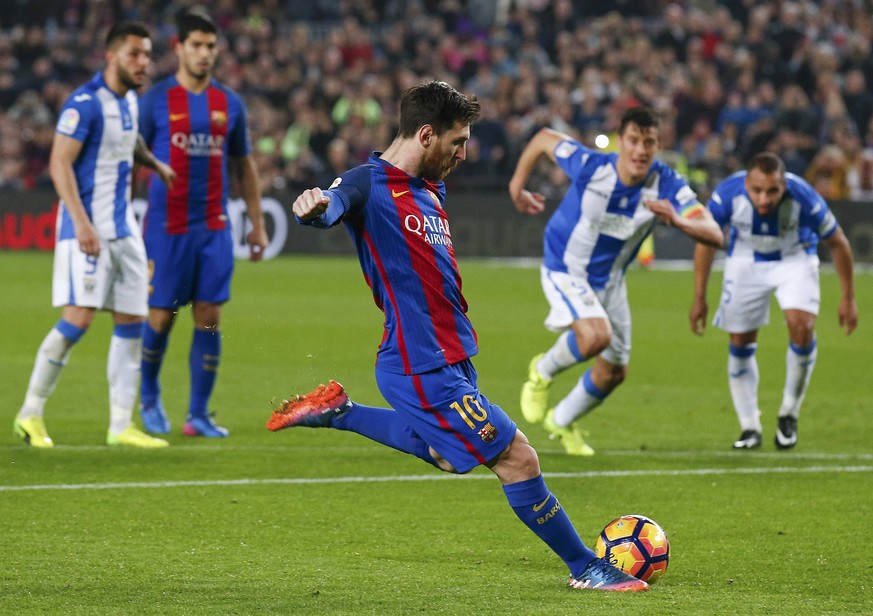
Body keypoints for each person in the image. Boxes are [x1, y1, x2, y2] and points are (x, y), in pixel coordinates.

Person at [267, 81, 648, 592]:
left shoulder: (430, 188)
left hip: (452, 353)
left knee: (449, 454)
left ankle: (340, 412)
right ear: (426, 134)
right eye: (458, 142)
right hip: (418, 363)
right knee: (517, 457)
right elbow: (330, 205)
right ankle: (588, 567)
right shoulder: (366, 183)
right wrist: (313, 207)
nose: (463, 154)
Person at [508, 106, 724, 455]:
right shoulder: (592, 166)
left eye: (649, 143)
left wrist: (679, 221)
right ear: (621, 141)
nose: (640, 150)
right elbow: (544, 139)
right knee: (596, 336)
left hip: (610, 281)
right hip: (566, 267)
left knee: (613, 372)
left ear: (657, 145)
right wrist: (517, 186)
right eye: (634, 140)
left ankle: (561, 421)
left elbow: (714, 233)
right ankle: (541, 372)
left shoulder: (666, 183)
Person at [13, 21, 176, 448]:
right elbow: (59, 163)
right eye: (135, 55)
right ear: (112, 55)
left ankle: (120, 425)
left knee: (131, 322)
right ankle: (30, 414)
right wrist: (82, 222)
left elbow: (129, 138)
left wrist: (153, 163)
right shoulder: (83, 103)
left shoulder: (127, 102)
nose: (144, 63)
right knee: (79, 318)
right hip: (86, 230)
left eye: (147, 54)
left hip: (124, 232)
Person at [137, 8, 268, 438]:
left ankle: (198, 413)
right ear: (178, 47)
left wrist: (256, 222)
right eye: (196, 45)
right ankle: (150, 394)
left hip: (212, 225)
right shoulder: (155, 99)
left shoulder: (229, 104)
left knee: (209, 315)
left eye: (211, 46)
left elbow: (243, 165)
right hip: (166, 225)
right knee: (162, 316)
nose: (205, 53)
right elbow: (127, 154)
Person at [689, 152, 858, 449]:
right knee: (740, 339)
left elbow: (838, 242)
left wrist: (848, 298)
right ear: (746, 184)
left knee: (802, 327)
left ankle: (789, 412)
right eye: (756, 190)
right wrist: (699, 297)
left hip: (795, 258)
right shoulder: (727, 194)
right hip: (745, 260)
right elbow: (705, 242)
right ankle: (749, 427)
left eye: (772, 191)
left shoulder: (804, 196)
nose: (764, 198)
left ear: (784, 186)